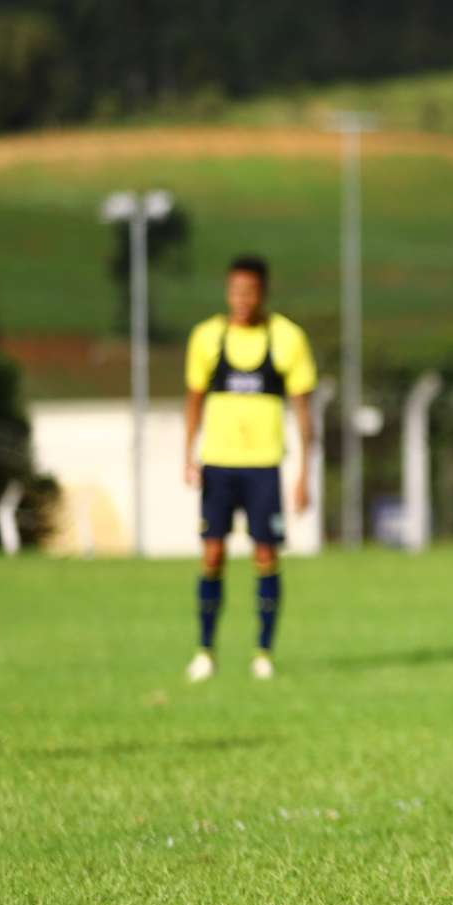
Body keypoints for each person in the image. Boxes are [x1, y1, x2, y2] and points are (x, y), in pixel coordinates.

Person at [181, 255, 316, 681]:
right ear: (227, 293)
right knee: (213, 553)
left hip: (264, 465)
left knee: (265, 553)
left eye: (250, 292)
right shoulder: (207, 338)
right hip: (219, 464)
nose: (242, 300)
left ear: (263, 293)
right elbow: (194, 400)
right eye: (235, 292)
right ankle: (205, 649)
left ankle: (263, 651)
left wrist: (304, 474)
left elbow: (304, 410)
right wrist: (188, 452)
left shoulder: (286, 338)